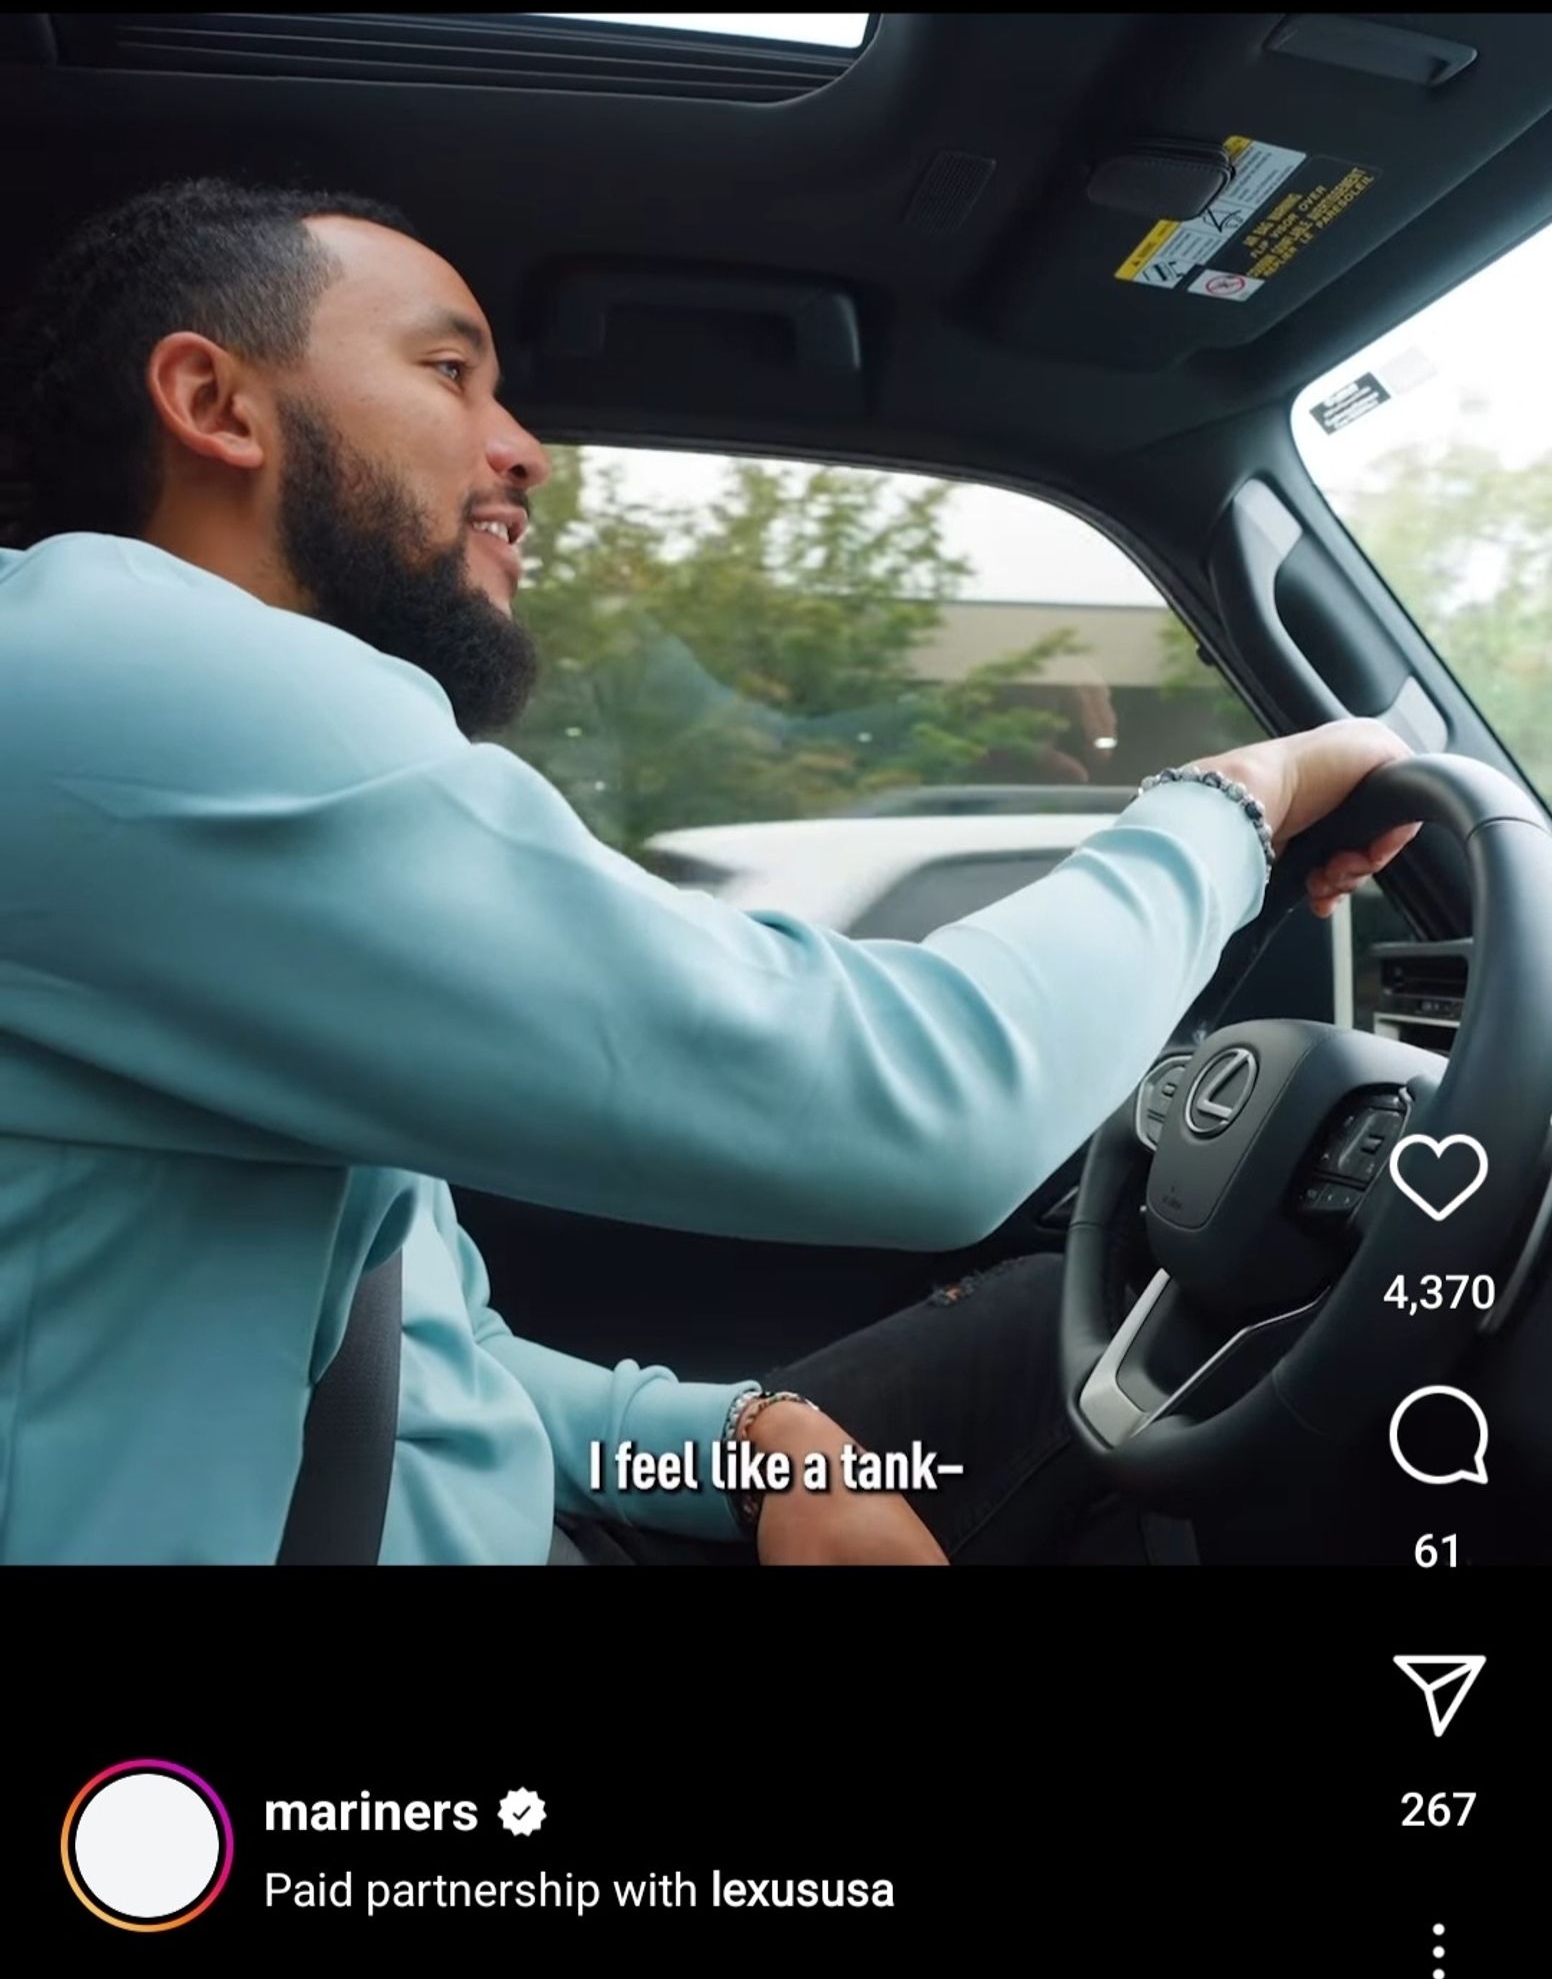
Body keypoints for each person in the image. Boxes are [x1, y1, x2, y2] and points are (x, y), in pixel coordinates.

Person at [0, 179, 1415, 1566]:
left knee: (1080, 1316)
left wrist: (751, 1443)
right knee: (1202, 1324)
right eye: (450, 372)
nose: (524, 450)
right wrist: (1238, 796)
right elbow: (932, 1108)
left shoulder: (173, 786)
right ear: (215, 404)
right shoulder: (121, 679)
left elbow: (443, 1368)